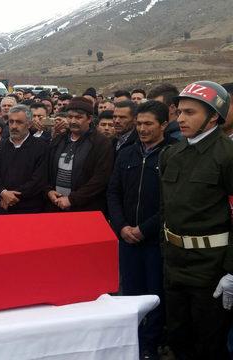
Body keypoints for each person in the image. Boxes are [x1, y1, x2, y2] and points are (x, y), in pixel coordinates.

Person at [159, 81, 233, 359]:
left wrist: (232, 271)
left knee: (209, 346)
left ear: (213, 115)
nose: (180, 119)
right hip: (175, 263)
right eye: (179, 112)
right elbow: (165, 207)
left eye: (190, 112)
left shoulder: (227, 155)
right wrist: (164, 251)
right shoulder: (172, 154)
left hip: (211, 268)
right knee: (179, 340)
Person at [107, 100, 175, 359]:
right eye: (139, 124)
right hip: (127, 239)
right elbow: (113, 191)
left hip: (154, 239)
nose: (142, 129)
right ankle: (130, 340)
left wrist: (143, 229)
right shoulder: (127, 153)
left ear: (164, 125)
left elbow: (171, 201)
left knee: (154, 294)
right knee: (130, 293)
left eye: (149, 124)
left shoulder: (173, 153)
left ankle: (150, 345)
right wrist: (122, 226)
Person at [45, 97, 113, 213]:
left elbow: (100, 179)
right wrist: (48, 191)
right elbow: (46, 169)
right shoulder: (59, 140)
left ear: (89, 119)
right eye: (70, 117)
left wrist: (72, 199)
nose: (73, 121)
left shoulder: (101, 143)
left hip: (86, 208)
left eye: (78, 117)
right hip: (56, 205)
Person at [0, 105, 48, 214]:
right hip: (2, 206)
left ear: (29, 124)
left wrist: (12, 197)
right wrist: (3, 193)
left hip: (30, 208)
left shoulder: (41, 147)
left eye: (19, 122)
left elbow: (38, 180)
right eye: (11, 122)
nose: (14, 126)